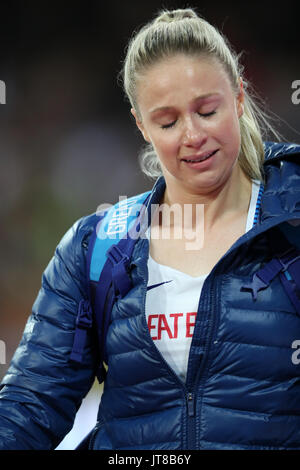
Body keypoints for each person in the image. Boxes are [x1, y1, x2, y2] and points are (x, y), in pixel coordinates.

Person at [1, 7, 300, 451]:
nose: (192, 134)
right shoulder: (97, 246)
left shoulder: (292, 222)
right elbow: (30, 403)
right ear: (142, 126)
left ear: (239, 98)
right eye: (168, 121)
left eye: (207, 110)